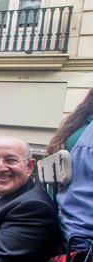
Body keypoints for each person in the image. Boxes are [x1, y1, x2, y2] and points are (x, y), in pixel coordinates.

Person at [46, 88, 93, 250]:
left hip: (64, 239)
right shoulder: (87, 137)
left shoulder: (77, 128)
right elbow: (84, 208)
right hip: (81, 248)